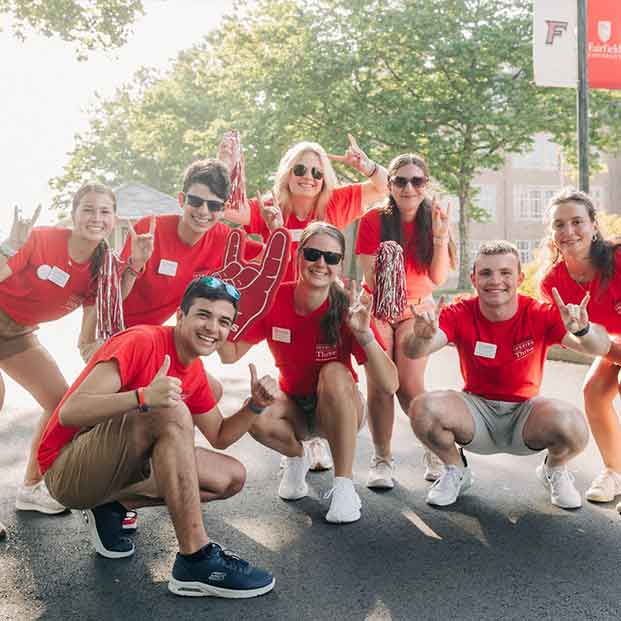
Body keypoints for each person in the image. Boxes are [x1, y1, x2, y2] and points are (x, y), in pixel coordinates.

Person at [37, 276, 277, 598]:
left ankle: (110, 506)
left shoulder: (193, 370)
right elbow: (70, 412)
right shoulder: (142, 341)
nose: (212, 328)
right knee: (172, 410)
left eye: (223, 321)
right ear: (181, 316)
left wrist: (255, 406)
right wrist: (142, 397)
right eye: (203, 315)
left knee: (231, 477)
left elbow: (220, 435)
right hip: (66, 469)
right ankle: (196, 559)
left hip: (111, 469)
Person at [404, 241, 611, 509]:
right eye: (486, 273)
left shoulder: (538, 313)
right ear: (474, 279)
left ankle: (555, 470)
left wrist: (583, 330)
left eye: (505, 273)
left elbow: (598, 347)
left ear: (519, 278)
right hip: (476, 414)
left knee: (573, 424)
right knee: (422, 408)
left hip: (525, 416)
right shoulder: (460, 311)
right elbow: (415, 351)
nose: (495, 281)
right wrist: (421, 337)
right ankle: (456, 470)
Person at [224, 137, 389, 471]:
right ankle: (301, 449)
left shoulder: (336, 203)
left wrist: (364, 164)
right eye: (300, 168)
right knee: (294, 373)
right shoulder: (271, 207)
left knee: (333, 372)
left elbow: (383, 187)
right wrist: (229, 167)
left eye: (317, 171)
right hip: (284, 309)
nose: (309, 176)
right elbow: (231, 209)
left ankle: (340, 455)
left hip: (326, 306)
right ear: (287, 173)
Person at [219, 222, 398, 523]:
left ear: (340, 264)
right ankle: (296, 456)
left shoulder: (348, 311)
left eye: (331, 257)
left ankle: (343, 486)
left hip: (339, 408)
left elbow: (390, 384)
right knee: (254, 412)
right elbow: (229, 355)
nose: (321, 263)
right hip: (295, 409)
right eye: (313, 253)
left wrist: (365, 335)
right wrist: (231, 316)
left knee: (334, 372)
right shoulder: (274, 299)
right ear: (298, 256)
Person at [0, 185, 148, 518]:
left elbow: (98, 321)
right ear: (74, 214)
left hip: (18, 335)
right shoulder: (39, 240)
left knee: (60, 404)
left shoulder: (102, 266)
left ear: (115, 218)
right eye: (88, 210)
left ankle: (29, 489)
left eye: (104, 211)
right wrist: (10, 246)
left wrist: (135, 266)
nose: (96, 218)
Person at [355, 153, 456, 489]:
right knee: (382, 384)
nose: (409, 187)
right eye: (401, 180)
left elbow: (438, 277)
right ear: (391, 184)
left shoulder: (436, 218)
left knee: (410, 385)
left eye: (417, 181)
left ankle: (434, 449)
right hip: (381, 307)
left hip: (418, 310)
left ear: (425, 184)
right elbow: (370, 275)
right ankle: (382, 459)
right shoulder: (373, 220)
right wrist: (390, 259)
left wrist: (441, 237)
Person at [539, 188, 621, 509]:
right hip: (610, 345)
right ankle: (614, 472)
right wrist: (581, 332)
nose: (568, 231)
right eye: (560, 225)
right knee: (593, 393)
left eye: (577, 222)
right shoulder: (552, 283)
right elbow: (580, 340)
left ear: (593, 225)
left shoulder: (617, 260)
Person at [118, 158, 264, 330]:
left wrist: (272, 228)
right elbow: (113, 296)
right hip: (110, 324)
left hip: (149, 332)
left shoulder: (225, 238)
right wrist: (135, 265)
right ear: (182, 200)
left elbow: (271, 258)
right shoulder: (148, 230)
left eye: (214, 205)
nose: (203, 211)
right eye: (195, 201)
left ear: (224, 209)